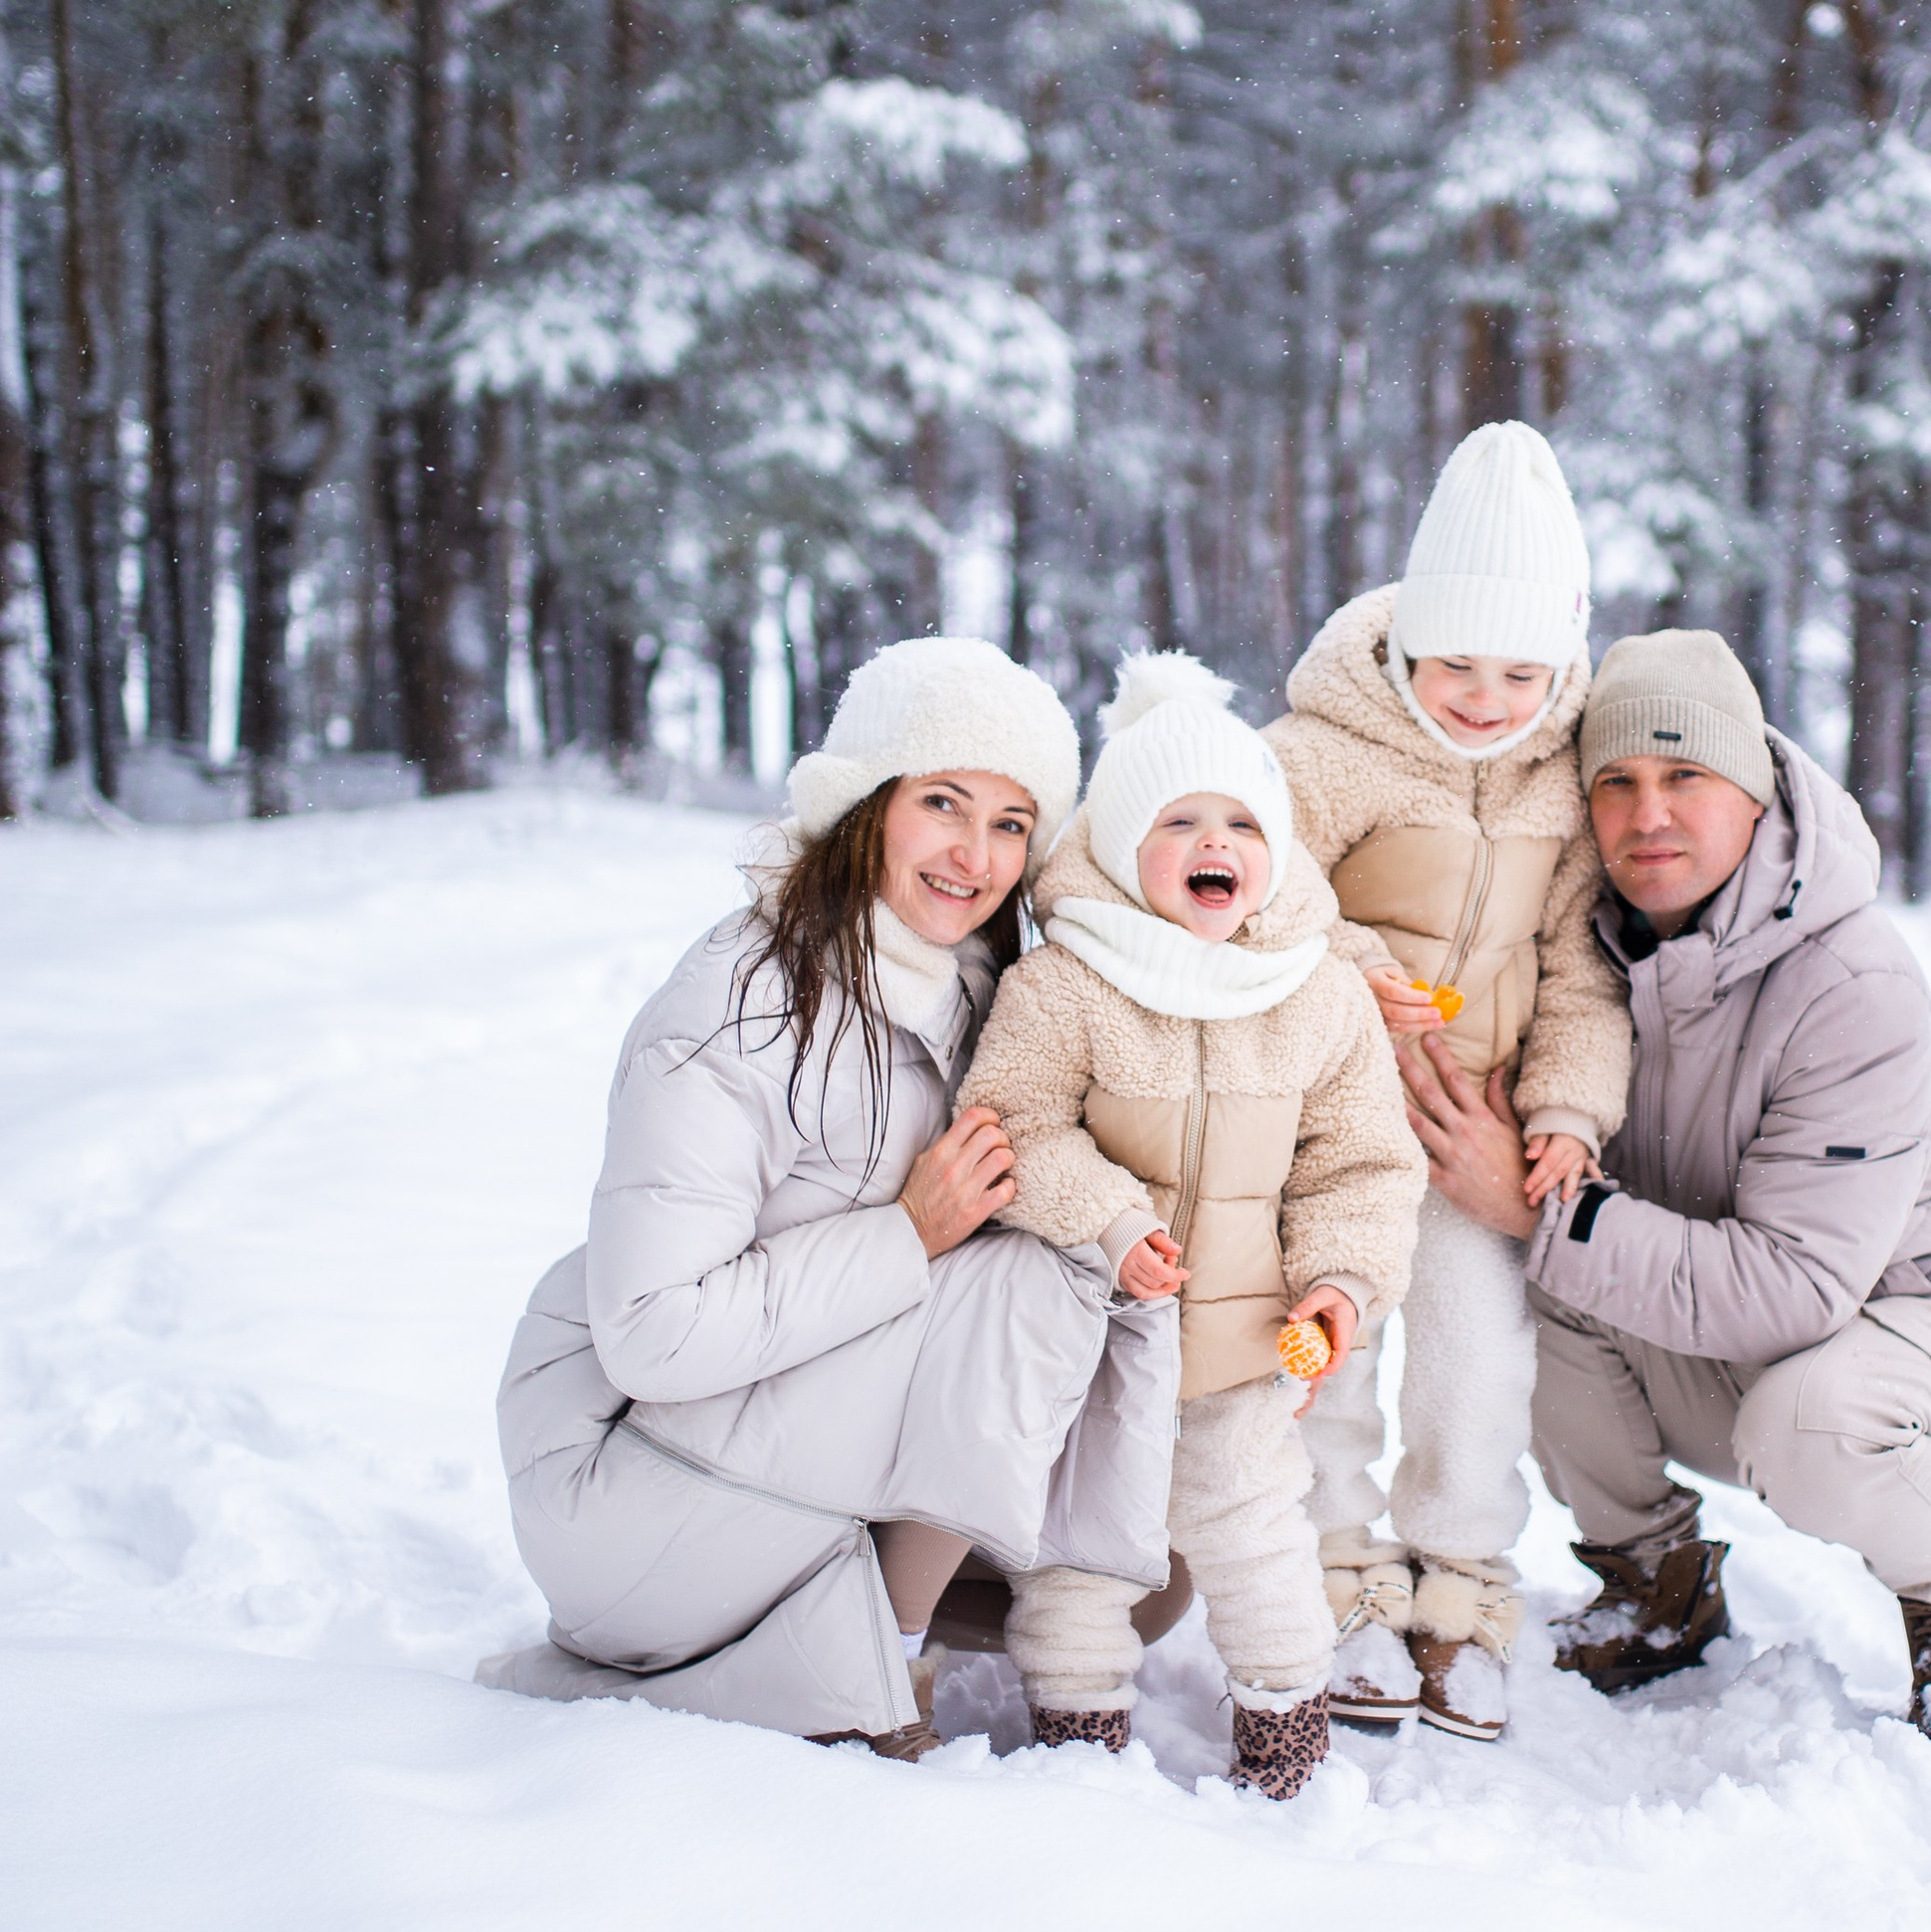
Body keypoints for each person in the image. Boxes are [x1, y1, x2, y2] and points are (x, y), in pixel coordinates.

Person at [483, 637, 1179, 1759]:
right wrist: (908, 1232)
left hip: (762, 1448)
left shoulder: (978, 988)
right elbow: (654, 1335)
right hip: (624, 1480)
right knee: (1042, 1277)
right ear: (866, 806)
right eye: (943, 803)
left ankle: (888, 1616)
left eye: (1011, 822)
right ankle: (873, 1684)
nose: (975, 854)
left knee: (1147, 1553)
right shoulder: (740, 1006)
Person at [1399, 630, 1931, 1758]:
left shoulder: (1853, 984)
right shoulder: (1585, 952)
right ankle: (1656, 1586)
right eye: (1618, 783)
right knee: (1519, 1283)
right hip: (1720, 1327)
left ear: (1755, 792)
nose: (1650, 816)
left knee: (1810, 1421)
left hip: (1906, 1336)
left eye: (1685, 777)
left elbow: (1794, 1289)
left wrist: (1539, 1209)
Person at [967, 655, 1427, 1799]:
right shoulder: (1066, 984)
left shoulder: (1315, 996)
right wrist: (1108, 1221)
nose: (1213, 841)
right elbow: (1012, 1123)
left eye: (1240, 822)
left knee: (1260, 1543)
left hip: (1237, 1354)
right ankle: (1078, 1741)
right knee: (1076, 1555)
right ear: (1124, 845)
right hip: (1087, 1341)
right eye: (1178, 820)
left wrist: (1340, 1286)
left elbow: (1360, 1165)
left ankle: (1284, 1733)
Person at [1265, 421, 1631, 1744]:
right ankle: (1336, 1570)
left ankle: (1463, 1583)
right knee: (1326, 1354)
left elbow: (1579, 971)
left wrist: (1565, 1114)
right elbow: (1252, 882)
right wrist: (1353, 961)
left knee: (1479, 1365)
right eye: (1456, 663)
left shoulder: (1561, 782)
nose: (1485, 699)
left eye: (1521, 670)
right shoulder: (1323, 749)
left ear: (1563, 658)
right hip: (1331, 1125)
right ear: (1406, 640)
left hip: (1472, 1128)